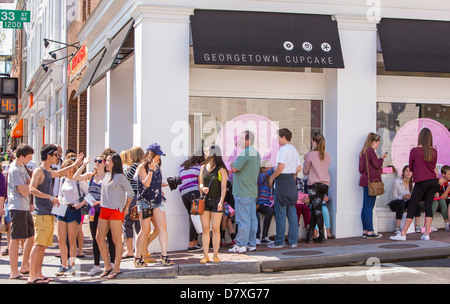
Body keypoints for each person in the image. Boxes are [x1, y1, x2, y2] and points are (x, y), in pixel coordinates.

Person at [28, 145, 82, 283]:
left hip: (48, 213)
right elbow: (32, 189)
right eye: (56, 154)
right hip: (41, 213)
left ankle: (38, 274)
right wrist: (50, 197)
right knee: (38, 244)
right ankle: (32, 276)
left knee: (43, 245)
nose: (58, 157)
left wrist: (76, 164)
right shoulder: (38, 171)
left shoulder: (48, 171)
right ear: (49, 155)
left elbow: (60, 172)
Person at [391, 127, 438, 241]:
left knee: (412, 205)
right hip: (433, 181)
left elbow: (411, 168)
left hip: (421, 181)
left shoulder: (415, 151)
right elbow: (433, 167)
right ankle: (426, 234)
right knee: (428, 206)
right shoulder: (434, 151)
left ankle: (403, 234)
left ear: (420, 137)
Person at [72, 154, 115, 276]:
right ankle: (96, 265)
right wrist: (84, 165)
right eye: (96, 161)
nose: (97, 162)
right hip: (93, 211)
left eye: (100, 161)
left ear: (104, 163)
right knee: (95, 238)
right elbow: (76, 177)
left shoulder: (108, 176)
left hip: (105, 210)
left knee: (109, 237)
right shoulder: (91, 175)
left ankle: (111, 263)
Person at [135, 143, 174, 267]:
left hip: (157, 201)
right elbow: (146, 184)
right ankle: (137, 257)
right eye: (157, 155)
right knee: (145, 230)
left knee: (162, 227)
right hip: (145, 202)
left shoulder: (157, 166)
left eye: (160, 156)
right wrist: (151, 170)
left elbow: (155, 184)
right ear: (151, 155)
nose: (159, 158)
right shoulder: (142, 167)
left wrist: (169, 184)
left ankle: (164, 255)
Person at [97, 153, 134, 279]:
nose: (105, 162)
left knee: (116, 239)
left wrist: (126, 207)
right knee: (99, 238)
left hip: (115, 210)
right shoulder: (107, 175)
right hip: (104, 209)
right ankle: (107, 265)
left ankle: (117, 267)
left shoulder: (120, 177)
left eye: (108, 161)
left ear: (114, 163)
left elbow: (130, 193)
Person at [54, 157, 88, 277]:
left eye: (66, 169)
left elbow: (88, 194)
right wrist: (58, 202)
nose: (64, 171)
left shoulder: (79, 180)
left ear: (72, 169)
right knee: (61, 239)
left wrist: (80, 204)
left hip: (73, 209)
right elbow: (59, 194)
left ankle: (72, 265)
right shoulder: (62, 180)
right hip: (62, 208)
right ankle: (63, 265)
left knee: (72, 239)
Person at [268, 128, 301, 248]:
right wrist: (292, 173)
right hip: (291, 182)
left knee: (280, 213)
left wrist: (272, 177)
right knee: (292, 213)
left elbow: (280, 167)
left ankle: (279, 241)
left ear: (283, 137)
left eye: (278, 137)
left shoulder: (283, 150)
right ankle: (293, 241)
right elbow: (298, 168)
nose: (277, 139)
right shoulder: (294, 149)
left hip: (281, 182)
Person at [229, 131, 261, 253]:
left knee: (243, 219)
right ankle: (251, 243)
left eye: (242, 139)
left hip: (242, 191)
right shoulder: (256, 153)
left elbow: (235, 168)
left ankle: (241, 244)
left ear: (248, 140)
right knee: (252, 219)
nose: (240, 141)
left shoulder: (245, 153)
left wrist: (232, 164)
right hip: (252, 191)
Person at [7, 144, 35, 280]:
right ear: (22, 156)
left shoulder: (21, 167)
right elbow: (24, 191)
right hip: (17, 207)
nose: (30, 159)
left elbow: (29, 184)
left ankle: (24, 266)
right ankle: (14, 270)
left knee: (31, 236)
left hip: (23, 207)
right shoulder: (14, 170)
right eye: (29, 157)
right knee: (16, 239)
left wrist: (28, 186)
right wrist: (29, 186)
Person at [198, 145, 228, 263]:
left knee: (216, 229)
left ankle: (215, 254)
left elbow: (224, 187)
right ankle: (205, 255)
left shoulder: (221, 169)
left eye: (206, 152)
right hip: (205, 201)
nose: (204, 154)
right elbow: (200, 183)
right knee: (205, 229)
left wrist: (221, 201)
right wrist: (202, 187)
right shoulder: (202, 167)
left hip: (216, 201)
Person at [303, 133, 331, 243]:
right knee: (315, 208)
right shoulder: (327, 155)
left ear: (314, 142)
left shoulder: (310, 154)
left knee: (317, 210)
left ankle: (322, 234)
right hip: (325, 185)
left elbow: (305, 171)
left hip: (314, 185)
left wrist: (306, 159)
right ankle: (309, 235)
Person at [359, 132, 387, 238]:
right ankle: (370, 231)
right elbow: (377, 164)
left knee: (365, 206)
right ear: (373, 142)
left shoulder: (363, 152)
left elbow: (361, 169)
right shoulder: (370, 151)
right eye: (377, 143)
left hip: (365, 180)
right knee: (369, 206)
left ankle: (365, 230)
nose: (378, 146)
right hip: (372, 181)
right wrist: (382, 158)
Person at [178, 153, 203, 251]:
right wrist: (201, 197)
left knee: (192, 217)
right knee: (195, 217)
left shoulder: (183, 167)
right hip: (194, 192)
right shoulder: (199, 167)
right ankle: (191, 244)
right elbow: (200, 182)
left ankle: (195, 242)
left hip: (184, 194)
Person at [123, 146, 144, 259]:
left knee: (128, 222)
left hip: (133, 196)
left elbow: (126, 178)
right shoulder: (142, 166)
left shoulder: (134, 166)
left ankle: (129, 249)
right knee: (138, 223)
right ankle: (140, 250)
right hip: (140, 195)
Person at [388, 165, 421, 234]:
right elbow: (394, 197)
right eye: (406, 171)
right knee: (401, 203)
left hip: (406, 203)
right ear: (403, 173)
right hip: (395, 203)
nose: (408, 173)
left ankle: (417, 225)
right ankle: (397, 226)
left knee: (416, 203)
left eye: (410, 171)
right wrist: (403, 197)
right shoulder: (397, 181)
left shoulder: (413, 183)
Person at [256, 160, 275, 245]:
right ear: (263, 168)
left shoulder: (272, 179)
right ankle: (264, 236)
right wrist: (276, 167)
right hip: (262, 203)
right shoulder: (261, 177)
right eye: (268, 166)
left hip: (270, 203)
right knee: (270, 211)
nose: (270, 167)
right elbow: (268, 173)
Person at [437, 165, 450, 231]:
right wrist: (448, 189)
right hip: (442, 203)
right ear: (443, 174)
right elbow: (441, 198)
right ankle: (448, 224)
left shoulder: (449, 182)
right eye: (449, 174)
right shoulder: (439, 182)